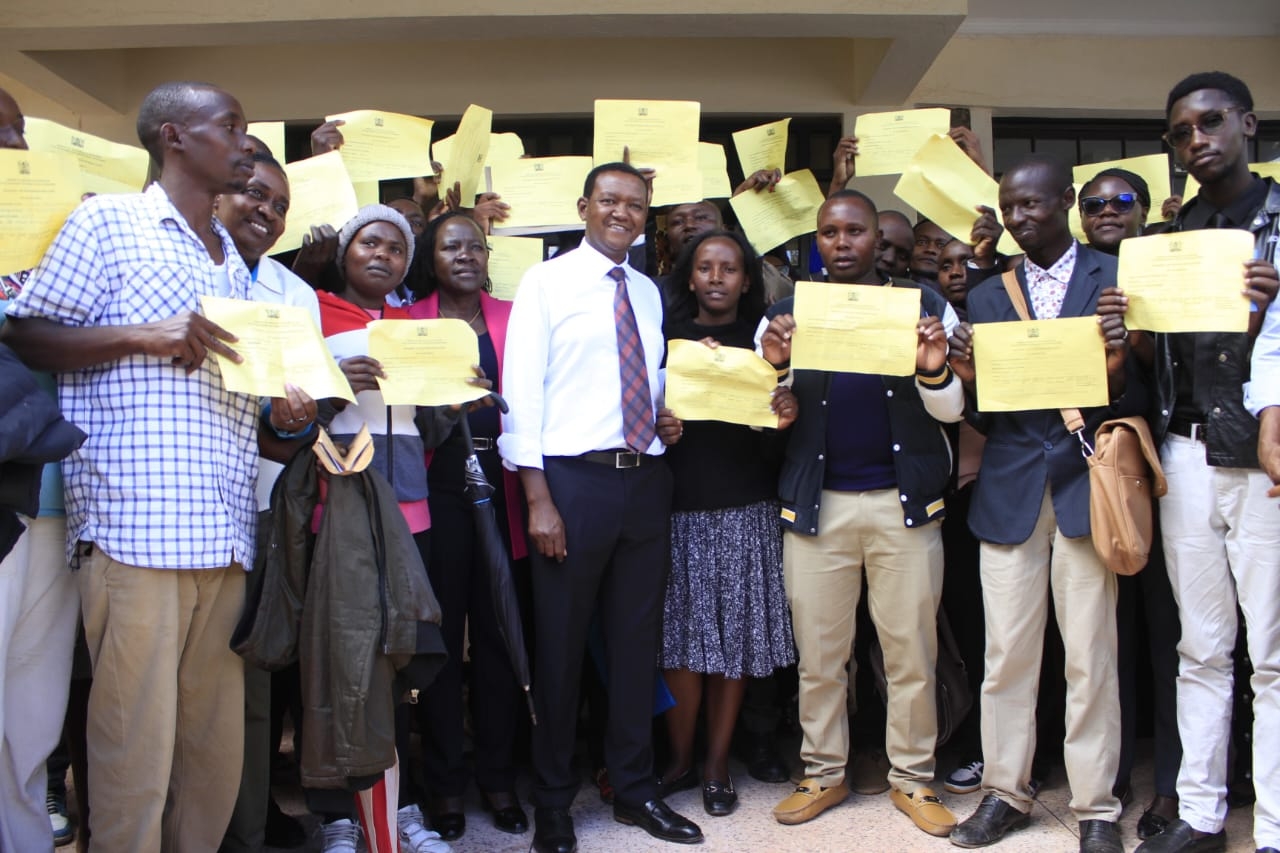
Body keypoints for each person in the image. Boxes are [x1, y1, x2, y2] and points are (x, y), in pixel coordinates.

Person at [1, 81, 317, 853]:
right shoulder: (108, 222)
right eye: (231, 126)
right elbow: (30, 335)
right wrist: (145, 335)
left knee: (210, 756)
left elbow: (239, 395)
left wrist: (285, 415)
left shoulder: (233, 261)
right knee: (133, 748)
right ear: (174, 137)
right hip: (136, 524)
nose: (245, 142)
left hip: (222, 530)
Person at [499, 162, 703, 852]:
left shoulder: (645, 291)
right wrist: (538, 499)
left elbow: (639, 379)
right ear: (584, 206)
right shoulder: (546, 281)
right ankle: (554, 801)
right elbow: (521, 392)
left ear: (647, 214)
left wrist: (663, 419)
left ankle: (634, 788)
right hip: (571, 485)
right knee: (559, 649)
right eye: (609, 200)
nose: (622, 212)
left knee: (633, 644)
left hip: (645, 481)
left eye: (636, 204)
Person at [946, 154, 1146, 853]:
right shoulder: (988, 293)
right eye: (1009, 208)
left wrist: (1123, 362)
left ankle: (1095, 805)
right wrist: (968, 379)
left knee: (1091, 653)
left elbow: (1134, 395)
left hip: (1085, 485)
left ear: (1065, 200)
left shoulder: (1113, 279)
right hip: (1009, 489)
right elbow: (988, 417)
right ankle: (1006, 792)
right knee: (1005, 655)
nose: (1019, 218)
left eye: (1032, 205)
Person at [760, 190, 963, 838]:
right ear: (815, 240)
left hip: (902, 506)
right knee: (821, 655)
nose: (841, 241)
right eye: (829, 232)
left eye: (854, 230)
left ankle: (913, 777)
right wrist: (775, 366)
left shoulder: (925, 304)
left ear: (878, 238)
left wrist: (932, 370)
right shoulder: (788, 311)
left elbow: (956, 409)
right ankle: (823, 770)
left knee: (911, 652)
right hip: (818, 508)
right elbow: (761, 412)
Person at [1134, 71, 1280, 853]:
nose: (1198, 140)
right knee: (1201, 646)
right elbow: (1156, 362)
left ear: (1248, 124)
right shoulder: (1168, 241)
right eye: (1183, 130)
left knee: (1275, 652)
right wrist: (1131, 327)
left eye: (1212, 122)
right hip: (1184, 454)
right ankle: (1200, 814)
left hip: (1266, 457)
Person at [313, 203, 459, 853]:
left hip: (411, 510)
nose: (382, 255)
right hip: (337, 508)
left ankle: (401, 806)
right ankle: (337, 812)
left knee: (404, 664)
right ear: (346, 251)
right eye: (369, 242)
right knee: (337, 664)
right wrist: (332, 381)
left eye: (396, 249)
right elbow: (282, 403)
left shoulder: (414, 324)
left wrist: (447, 395)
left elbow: (434, 428)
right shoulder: (312, 313)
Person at [656, 230, 798, 818]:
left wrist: (782, 416)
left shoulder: (769, 341)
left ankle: (717, 763)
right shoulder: (663, 338)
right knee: (684, 647)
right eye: (705, 268)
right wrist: (656, 431)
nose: (717, 277)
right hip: (678, 508)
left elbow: (782, 437)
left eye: (729, 268)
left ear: (747, 278)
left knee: (734, 645)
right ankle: (680, 758)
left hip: (747, 507)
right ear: (689, 277)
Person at [405, 211, 531, 840]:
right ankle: (446, 785)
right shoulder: (408, 322)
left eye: (474, 246)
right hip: (438, 494)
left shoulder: (514, 317)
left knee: (502, 640)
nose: (464, 255)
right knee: (443, 643)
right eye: (450, 246)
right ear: (432, 256)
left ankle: (499, 777)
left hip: (507, 491)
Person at [214, 146, 320, 853]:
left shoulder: (293, 292)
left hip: (262, 504)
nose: (267, 211)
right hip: (181, 498)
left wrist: (292, 418)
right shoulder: (187, 268)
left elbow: (305, 406)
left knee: (249, 681)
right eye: (254, 193)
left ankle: (244, 832)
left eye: (280, 204)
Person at [1077, 166, 1184, 840]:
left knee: (1171, 639)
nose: (1109, 209)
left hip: (1169, 479)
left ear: (1145, 210)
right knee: (1108, 641)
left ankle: (1171, 787)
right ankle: (1107, 781)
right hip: (1100, 482)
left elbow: (1176, 377)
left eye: (1122, 200)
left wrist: (1139, 340)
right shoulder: (1076, 281)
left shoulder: (1174, 271)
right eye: (1095, 202)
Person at [0, 86, 85, 853]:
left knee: (33, 708)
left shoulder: (57, 240)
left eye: (16, 132)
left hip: (61, 503)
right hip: (4, 500)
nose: (13, 147)